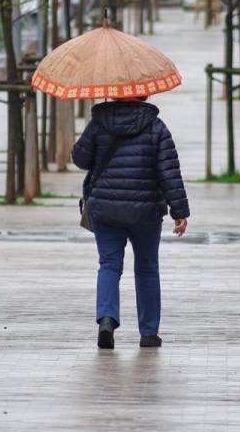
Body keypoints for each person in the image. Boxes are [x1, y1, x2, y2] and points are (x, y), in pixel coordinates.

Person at [72, 95, 189, 349]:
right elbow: (169, 172)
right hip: (145, 211)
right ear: (145, 93)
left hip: (105, 208)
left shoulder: (99, 122)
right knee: (147, 268)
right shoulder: (156, 126)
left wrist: (95, 133)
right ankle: (148, 332)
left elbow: (80, 159)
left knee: (109, 264)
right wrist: (179, 210)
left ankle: (106, 319)